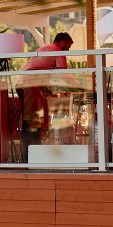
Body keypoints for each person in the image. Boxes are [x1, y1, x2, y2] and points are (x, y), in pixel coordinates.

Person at [18, 33, 73, 161]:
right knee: (33, 122)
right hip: (30, 84)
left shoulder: (43, 48)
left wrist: (46, 90)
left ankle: (29, 155)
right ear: (63, 42)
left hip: (22, 83)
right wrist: (79, 86)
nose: (69, 49)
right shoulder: (58, 51)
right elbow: (64, 74)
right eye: (69, 45)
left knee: (28, 122)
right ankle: (32, 157)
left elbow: (35, 67)